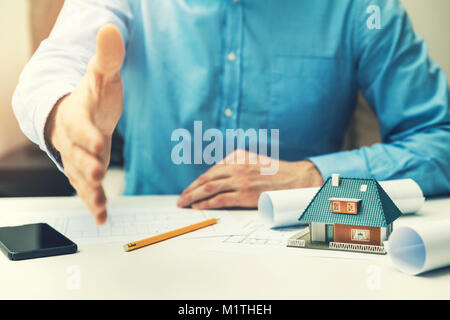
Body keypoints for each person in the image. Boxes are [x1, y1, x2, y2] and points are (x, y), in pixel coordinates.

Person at [13, 0, 450, 225]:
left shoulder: (361, 10)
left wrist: (312, 178)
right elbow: (51, 68)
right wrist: (63, 115)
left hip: (308, 250)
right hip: (148, 254)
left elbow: (440, 138)